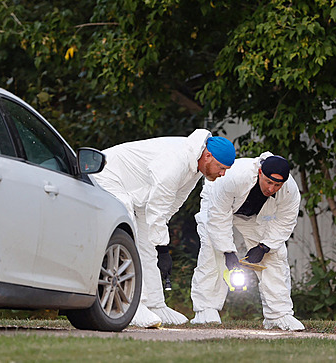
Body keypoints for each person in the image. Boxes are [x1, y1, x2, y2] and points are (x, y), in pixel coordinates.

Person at [92, 129, 236, 328]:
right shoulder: (176, 162)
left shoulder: (195, 167)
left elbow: (172, 204)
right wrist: (163, 249)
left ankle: (156, 304)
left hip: (139, 193)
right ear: (208, 156)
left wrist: (159, 243)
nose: (223, 174)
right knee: (129, 233)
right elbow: (158, 207)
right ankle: (132, 305)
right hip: (107, 175)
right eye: (221, 168)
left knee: (148, 243)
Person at [190, 152, 305, 331]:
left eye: (277, 185)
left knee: (275, 255)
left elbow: (285, 221)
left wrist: (264, 246)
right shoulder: (234, 177)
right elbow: (219, 217)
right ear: (260, 172)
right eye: (268, 182)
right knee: (212, 252)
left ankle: (278, 315)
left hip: (252, 215)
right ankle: (206, 310)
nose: (272, 189)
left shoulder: (290, 190)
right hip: (217, 205)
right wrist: (228, 251)